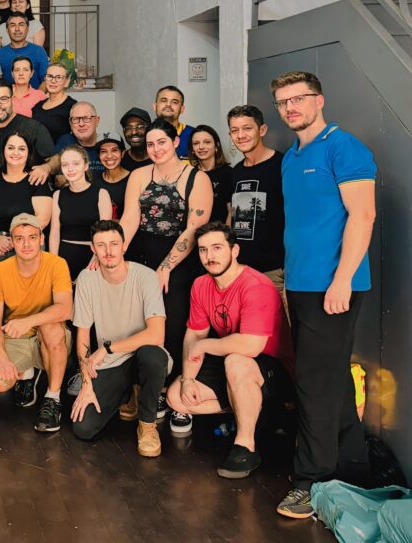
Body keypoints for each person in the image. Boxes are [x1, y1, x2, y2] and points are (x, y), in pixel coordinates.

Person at [272, 71, 376, 519]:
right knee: (330, 380)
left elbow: (363, 216)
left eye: (299, 98)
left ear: (320, 100)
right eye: (283, 102)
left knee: (313, 385)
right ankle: (354, 470)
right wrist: (289, 284)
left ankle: (310, 482)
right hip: (301, 285)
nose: (291, 107)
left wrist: (342, 280)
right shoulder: (292, 158)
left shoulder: (344, 147)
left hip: (333, 287)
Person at [166, 223, 294, 479]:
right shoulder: (201, 284)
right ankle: (258, 411)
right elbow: (195, 334)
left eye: (217, 248)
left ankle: (245, 446)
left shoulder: (256, 285)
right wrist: (188, 379)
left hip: (274, 368)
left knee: (236, 361)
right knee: (176, 397)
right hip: (232, 360)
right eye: (203, 250)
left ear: (234, 251)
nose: (209, 256)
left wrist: (204, 346)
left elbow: (251, 346)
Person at [118, 118, 213, 434]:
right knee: (139, 323)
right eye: (150, 144)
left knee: (173, 325)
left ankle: (178, 395)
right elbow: (131, 218)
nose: (155, 149)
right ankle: (150, 390)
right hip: (140, 257)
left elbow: (194, 228)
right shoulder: (139, 175)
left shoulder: (196, 178)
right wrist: (114, 253)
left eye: (161, 142)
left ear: (175, 142)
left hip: (178, 261)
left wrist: (166, 266)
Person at [70, 221, 169, 458]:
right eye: (101, 245)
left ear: (124, 245)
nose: (108, 251)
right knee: (84, 428)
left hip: (143, 356)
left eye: (114, 244)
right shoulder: (86, 278)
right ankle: (129, 394)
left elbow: (156, 334)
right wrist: (86, 384)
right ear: (93, 249)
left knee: (153, 356)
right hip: (113, 364)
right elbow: (82, 336)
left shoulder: (145, 276)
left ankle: (147, 424)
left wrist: (107, 348)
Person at [0, 213, 72, 433]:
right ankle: (26, 372)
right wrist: (2, 357)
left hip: (49, 338)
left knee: (50, 327)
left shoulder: (57, 264)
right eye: (19, 239)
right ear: (12, 241)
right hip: (16, 338)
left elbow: (65, 309)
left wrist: (28, 321)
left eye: (32, 237)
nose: (26, 244)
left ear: (41, 238)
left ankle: (53, 398)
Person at [0, 79, 57, 237]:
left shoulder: (32, 128)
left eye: (3, 99)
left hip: (27, 216)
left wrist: (46, 167)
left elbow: (56, 159)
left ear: (12, 99)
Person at [226, 105, 286, 310]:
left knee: (277, 328)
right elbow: (232, 216)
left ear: (262, 130)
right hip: (241, 270)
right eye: (235, 130)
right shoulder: (235, 172)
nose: (241, 135)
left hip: (274, 271)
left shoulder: (282, 165)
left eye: (247, 128)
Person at [0, 133, 53, 271]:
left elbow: (43, 218)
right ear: (3, 150)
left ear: (29, 152)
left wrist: (14, 241)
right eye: (11, 148)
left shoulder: (36, 179)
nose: (15, 153)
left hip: (29, 245)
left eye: (21, 148)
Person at [49, 145, 112, 278]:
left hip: (93, 259)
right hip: (64, 257)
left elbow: (105, 233)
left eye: (76, 163)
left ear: (85, 166)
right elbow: (54, 233)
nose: (70, 169)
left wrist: (96, 258)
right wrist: (54, 263)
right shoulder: (58, 195)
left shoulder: (101, 193)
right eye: (65, 165)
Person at [189, 125, 231, 224]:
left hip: (220, 231)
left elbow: (231, 211)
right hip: (194, 231)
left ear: (216, 146)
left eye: (207, 142)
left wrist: (226, 233)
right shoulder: (189, 175)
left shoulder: (228, 173)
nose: (201, 147)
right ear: (192, 149)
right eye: (196, 143)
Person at [0, 12, 48, 88]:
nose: (17, 29)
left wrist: (36, 95)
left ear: (27, 28)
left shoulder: (39, 51)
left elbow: (46, 81)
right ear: (7, 30)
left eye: (21, 25)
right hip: (7, 95)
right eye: (13, 25)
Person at [55, 101, 103, 176]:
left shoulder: (107, 144)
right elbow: (58, 176)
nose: (81, 124)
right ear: (70, 123)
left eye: (86, 118)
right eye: (75, 119)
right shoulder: (65, 142)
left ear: (97, 120)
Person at [31, 63, 75, 144]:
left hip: (60, 151)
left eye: (58, 77)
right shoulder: (37, 106)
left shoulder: (72, 106)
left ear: (66, 82)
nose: (53, 81)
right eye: (50, 76)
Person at [153, 86, 193, 158]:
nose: (168, 104)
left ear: (182, 109)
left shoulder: (193, 135)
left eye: (175, 102)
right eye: (164, 100)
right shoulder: (145, 135)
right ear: (155, 106)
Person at [97, 137, 129, 220]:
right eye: (103, 151)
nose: (109, 156)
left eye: (114, 150)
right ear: (99, 155)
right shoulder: (93, 181)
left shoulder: (133, 179)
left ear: (122, 153)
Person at [119, 107, 153, 171]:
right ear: (124, 132)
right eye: (128, 128)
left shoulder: (159, 158)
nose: (134, 132)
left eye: (140, 127)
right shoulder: (120, 162)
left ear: (149, 129)